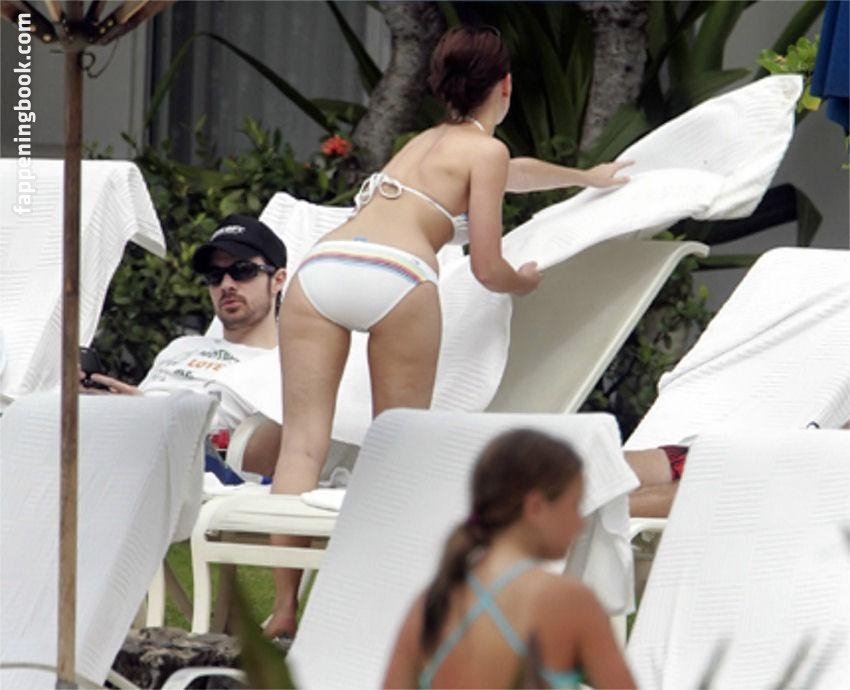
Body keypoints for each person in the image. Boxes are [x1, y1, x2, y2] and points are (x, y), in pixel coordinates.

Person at [263, 25, 632, 640]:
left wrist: (584, 177)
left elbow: (510, 171)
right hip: (395, 275)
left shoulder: (423, 143)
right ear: (505, 86)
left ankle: (283, 607)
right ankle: (384, 601)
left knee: (302, 444)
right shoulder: (485, 153)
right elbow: (486, 266)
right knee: (398, 445)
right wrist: (523, 282)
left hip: (322, 267)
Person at [382, 429, 635, 689]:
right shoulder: (567, 600)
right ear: (535, 507)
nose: (581, 523)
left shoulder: (432, 602)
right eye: (575, 506)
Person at [81, 214, 287, 478]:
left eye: (242, 271)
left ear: (278, 280)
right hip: (118, 446)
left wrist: (146, 415)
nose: (226, 285)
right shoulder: (182, 347)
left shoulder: (283, 364)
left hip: (189, 472)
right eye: (215, 275)